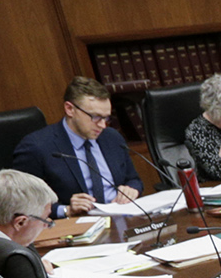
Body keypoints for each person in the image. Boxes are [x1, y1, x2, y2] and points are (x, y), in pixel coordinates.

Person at [9, 77, 143, 216]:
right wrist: (66, 210)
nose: (103, 125)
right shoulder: (37, 147)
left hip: (121, 215)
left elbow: (133, 179)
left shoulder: (112, 138)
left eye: (106, 118)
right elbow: (23, 202)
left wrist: (131, 189)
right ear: (70, 109)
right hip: (76, 224)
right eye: (95, 117)